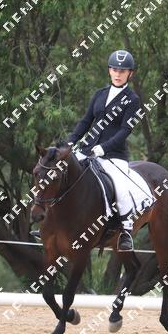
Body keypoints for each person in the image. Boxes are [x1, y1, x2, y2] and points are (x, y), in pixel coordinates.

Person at [67, 49, 152, 251]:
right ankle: (54, 220)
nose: (117, 74)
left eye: (122, 71)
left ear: (130, 74)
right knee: (63, 175)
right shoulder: (100, 94)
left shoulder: (132, 100)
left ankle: (126, 231)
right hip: (87, 150)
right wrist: (70, 142)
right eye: (114, 69)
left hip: (114, 155)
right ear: (109, 71)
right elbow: (86, 121)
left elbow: (125, 130)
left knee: (120, 187)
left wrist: (103, 148)